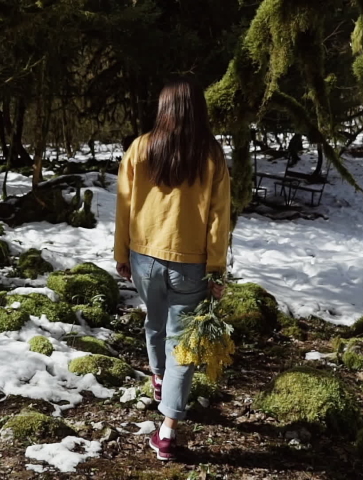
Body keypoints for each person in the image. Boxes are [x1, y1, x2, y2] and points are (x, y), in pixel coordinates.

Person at [114, 78, 231, 461]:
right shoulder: (211, 154)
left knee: (155, 320)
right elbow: (219, 219)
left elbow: (124, 205)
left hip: (144, 257)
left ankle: (159, 377)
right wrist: (216, 270)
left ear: (164, 108)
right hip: (192, 265)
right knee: (184, 346)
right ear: (199, 108)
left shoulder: (140, 147)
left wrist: (121, 253)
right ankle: (167, 432)